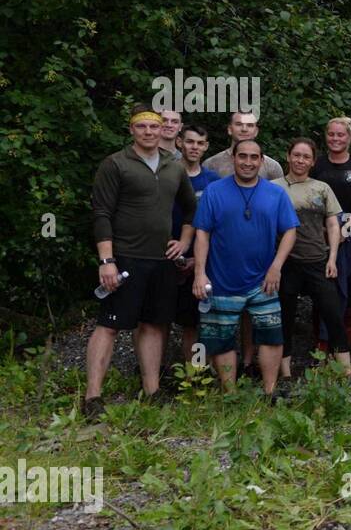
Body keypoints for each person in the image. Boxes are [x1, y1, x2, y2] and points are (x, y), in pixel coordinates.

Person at [84, 105, 197, 418]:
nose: (149, 132)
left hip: (161, 259)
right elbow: (102, 213)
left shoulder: (175, 167)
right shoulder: (116, 164)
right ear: (132, 130)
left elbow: (190, 209)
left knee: (153, 324)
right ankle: (92, 396)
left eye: (154, 127)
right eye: (142, 126)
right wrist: (105, 260)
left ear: (163, 130)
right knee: (109, 325)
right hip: (124, 257)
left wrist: (185, 241)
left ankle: (152, 390)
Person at [191, 139, 299, 396]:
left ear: (262, 161)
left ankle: (269, 391)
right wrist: (199, 272)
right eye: (243, 156)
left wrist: (277, 266)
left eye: (254, 157)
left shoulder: (276, 193)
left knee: (272, 335)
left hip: (264, 280)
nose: (248, 162)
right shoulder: (214, 192)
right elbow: (202, 233)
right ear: (233, 159)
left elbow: (290, 231)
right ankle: (230, 393)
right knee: (221, 338)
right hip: (221, 279)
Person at [273, 139, 350, 378]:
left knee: (334, 314)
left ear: (313, 161)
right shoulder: (273, 188)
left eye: (306, 157)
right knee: (284, 318)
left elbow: (333, 224)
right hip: (286, 264)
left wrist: (332, 258)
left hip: (317, 259)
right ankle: (284, 374)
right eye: (296, 155)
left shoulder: (321, 188)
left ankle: (346, 372)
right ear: (288, 156)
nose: (300, 160)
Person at [311, 116, 351, 343]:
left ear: (349, 137)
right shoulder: (318, 165)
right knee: (322, 284)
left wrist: (346, 228)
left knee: (349, 283)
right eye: (331, 134)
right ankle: (321, 341)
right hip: (321, 231)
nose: (335, 138)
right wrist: (326, 230)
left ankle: (344, 339)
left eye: (340, 134)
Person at [171, 125, 219, 366]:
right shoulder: (165, 174)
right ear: (179, 142)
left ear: (206, 147)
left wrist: (198, 261)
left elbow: (218, 224)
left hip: (201, 260)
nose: (194, 147)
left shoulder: (213, 181)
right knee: (156, 318)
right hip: (165, 254)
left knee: (198, 318)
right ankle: (157, 373)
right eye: (190, 142)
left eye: (200, 143)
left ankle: (200, 373)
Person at [202, 111, 284, 179]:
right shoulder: (211, 164)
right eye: (239, 124)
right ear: (230, 129)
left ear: (256, 131)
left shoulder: (272, 167)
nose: (244, 129)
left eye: (249, 125)